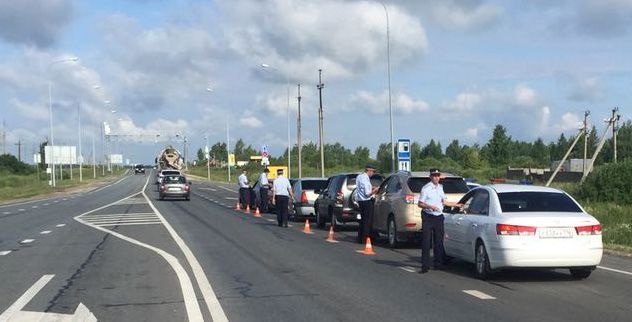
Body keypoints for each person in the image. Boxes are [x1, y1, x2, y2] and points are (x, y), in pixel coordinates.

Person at [417, 168, 462, 274]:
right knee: (426, 241)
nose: (436, 177)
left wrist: (456, 205)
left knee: (439, 241)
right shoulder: (426, 188)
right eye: (434, 176)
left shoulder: (440, 188)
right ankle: (425, 265)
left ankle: (438, 263)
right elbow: (420, 203)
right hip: (428, 216)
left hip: (438, 216)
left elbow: (444, 201)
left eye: (438, 175)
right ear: (430, 177)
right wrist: (430, 206)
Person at [356, 165, 379, 243]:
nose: (373, 173)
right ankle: (366, 238)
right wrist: (375, 190)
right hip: (366, 201)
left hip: (360, 201)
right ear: (368, 170)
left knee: (363, 220)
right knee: (367, 221)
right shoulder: (365, 179)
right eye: (373, 171)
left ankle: (360, 237)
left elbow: (363, 188)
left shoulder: (360, 177)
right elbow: (367, 194)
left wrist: (372, 187)